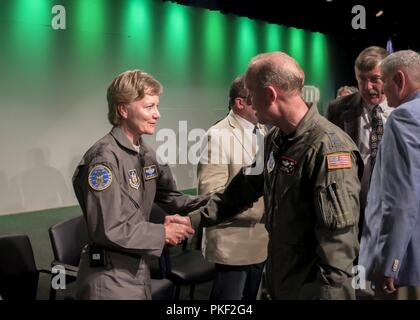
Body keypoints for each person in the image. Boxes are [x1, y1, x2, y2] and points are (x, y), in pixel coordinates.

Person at [177, 52, 362, 299]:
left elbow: (337, 246)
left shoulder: (329, 148)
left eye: (251, 92)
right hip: (276, 279)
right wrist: (193, 221)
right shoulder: (275, 140)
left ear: (270, 95)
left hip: (310, 290)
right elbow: (241, 190)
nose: (249, 102)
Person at [72, 70, 208, 299]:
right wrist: (161, 232)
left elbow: (174, 199)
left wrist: (223, 198)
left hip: (138, 267)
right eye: (149, 107)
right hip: (110, 276)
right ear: (123, 109)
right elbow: (109, 228)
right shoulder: (104, 158)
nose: (157, 114)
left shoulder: (145, 153)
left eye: (156, 106)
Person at [197, 75, 268, 300]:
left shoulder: (265, 132)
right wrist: (263, 209)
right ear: (240, 103)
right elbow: (211, 195)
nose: (264, 104)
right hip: (232, 246)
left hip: (261, 243)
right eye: (257, 98)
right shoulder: (217, 136)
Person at [359, 50, 420, 299]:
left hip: (406, 260)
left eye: (382, 80)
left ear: (399, 80)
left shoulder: (402, 117)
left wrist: (391, 262)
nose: (380, 90)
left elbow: (400, 199)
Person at [326, 46, 393, 237]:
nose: (367, 87)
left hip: (393, 209)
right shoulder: (338, 109)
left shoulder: (406, 109)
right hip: (352, 208)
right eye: (361, 79)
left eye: (374, 79)